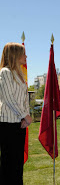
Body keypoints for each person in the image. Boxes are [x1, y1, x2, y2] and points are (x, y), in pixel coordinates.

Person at [0, 42, 32, 184]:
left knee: (18, 165)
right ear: (15, 55)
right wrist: (24, 115)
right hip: (7, 125)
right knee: (8, 165)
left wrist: (25, 118)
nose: (26, 56)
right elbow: (9, 98)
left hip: (19, 125)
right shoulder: (5, 72)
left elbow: (24, 98)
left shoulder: (20, 75)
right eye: (23, 53)